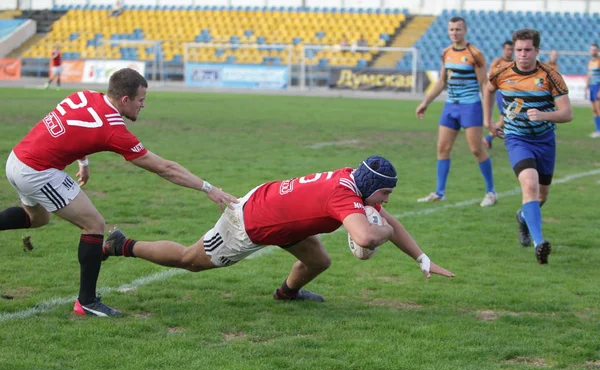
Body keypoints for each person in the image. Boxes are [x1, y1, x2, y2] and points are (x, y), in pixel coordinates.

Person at [1, 68, 238, 316]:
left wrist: (83, 163)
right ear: (125, 99)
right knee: (94, 224)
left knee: (38, 219)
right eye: (141, 100)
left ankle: (87, 301)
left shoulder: (84, 95)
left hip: (16, 159)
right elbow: (165, 168)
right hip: (37, 171)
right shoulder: (113, 129)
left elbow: (72, 128)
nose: (143, 106)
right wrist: (207, 188)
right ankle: (86, 302)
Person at [102, 156, 455, 305]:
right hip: (253, 222)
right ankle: (122, 244)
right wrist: (383, 234)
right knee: (189, 260)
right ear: (371, 186)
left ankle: (286, 295)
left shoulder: (356, 179)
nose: (387, 202)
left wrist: (423, 260)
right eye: (386, 193)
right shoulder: (345, 196)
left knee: (318, 260)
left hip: (277, 207)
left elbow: (388, 222)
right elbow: (366, 239)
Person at [484, 29, 572, 264]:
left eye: (527, 50)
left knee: (542, 195)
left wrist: (544, 114)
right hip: (517, 139)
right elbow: (488, 89)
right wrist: (488, 120)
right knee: (530, 187)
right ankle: (539, 243)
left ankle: (523, 217)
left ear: (537, 51)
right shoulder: (501, 71)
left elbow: (567, 113)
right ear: (514, 49)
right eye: (519, 50)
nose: (522, 54)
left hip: (545, 142)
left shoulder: (550, 75)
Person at [415, 16, 497, 207]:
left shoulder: (475, 53)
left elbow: (484, 85)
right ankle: (439, 192)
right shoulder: (446, 52)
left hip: (470, 106)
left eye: (458, 29)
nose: (454, 33)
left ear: (465, 30)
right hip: (450, 106)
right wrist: (425, 102)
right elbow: (442, 81)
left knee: (477, 149)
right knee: (442, 149)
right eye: (451, 29)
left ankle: (491, 192)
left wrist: (487, 116)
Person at [484, 40, 514, 149]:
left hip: (512, 95)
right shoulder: (497, 62)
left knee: (504, 120)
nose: (509, 52)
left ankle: (488, 139)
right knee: (507, 118)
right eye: (507, 49)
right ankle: (489, 139)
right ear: (503, 50)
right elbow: (491, 79)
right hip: (501, 93)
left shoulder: (516, 63)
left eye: (511, 49)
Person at [585, 43, 600, 138]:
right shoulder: (590, 62)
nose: (593, 51)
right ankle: (597, 129)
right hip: (592, 87)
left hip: (598, 86)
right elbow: (589, 75)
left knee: (599, 109)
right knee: (594, 109)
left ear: (597, 51)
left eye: (594, 49)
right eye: (591, 49)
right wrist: (586, 88)